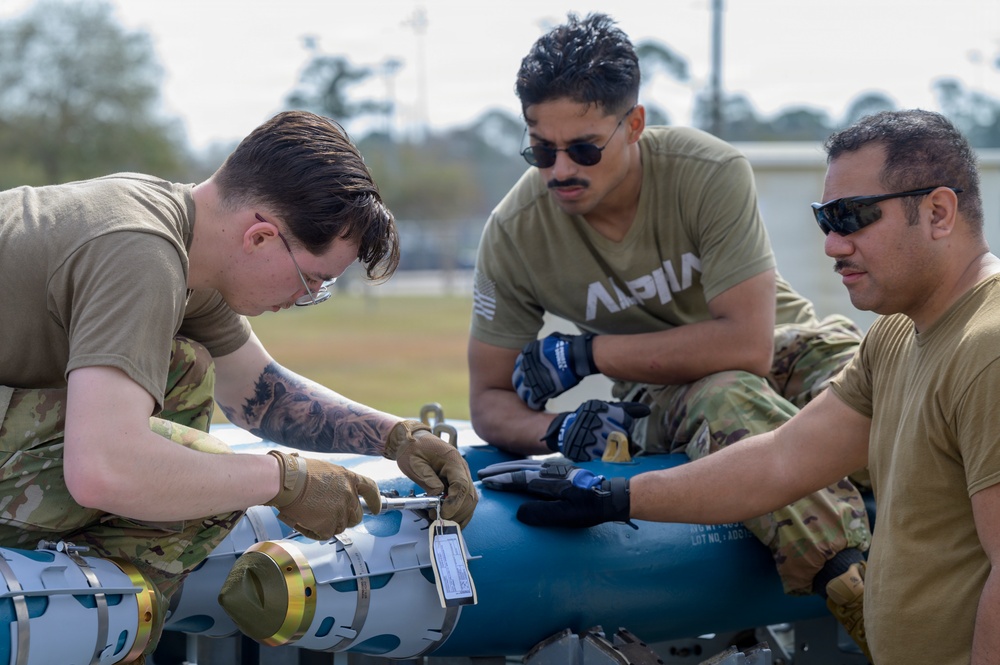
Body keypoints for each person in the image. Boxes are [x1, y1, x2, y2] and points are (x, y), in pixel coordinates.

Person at [485, 108, 999, 665]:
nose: (832, 245)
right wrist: (610, 495)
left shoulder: (986, 348)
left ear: (939, 212)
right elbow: (781, 460)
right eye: (824, 219)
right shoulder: (897, 337)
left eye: (851, 218)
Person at [0, 110, 477, 662]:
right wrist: (279, 480)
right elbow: (103, 468)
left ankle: (94, 602)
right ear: (261, 236)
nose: (304, 299)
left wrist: (397, 437)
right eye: (312, 281)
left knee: (186, 369)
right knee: (210, 474)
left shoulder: (171, 232)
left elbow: (259, 390)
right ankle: (99, 625)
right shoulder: (141, 254)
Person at [467, 11, 871, 657]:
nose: (560, 170)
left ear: (634, 125)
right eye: (541, 150)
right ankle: (859, 594)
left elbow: (750, 342)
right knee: (727, 397)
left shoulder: (707, 169)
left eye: (584, 148)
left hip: (789, 342)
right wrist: (558, 432)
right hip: (668, 394)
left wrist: (589, 352)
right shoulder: (515, 230)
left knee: (888, 379)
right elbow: (488, 397)